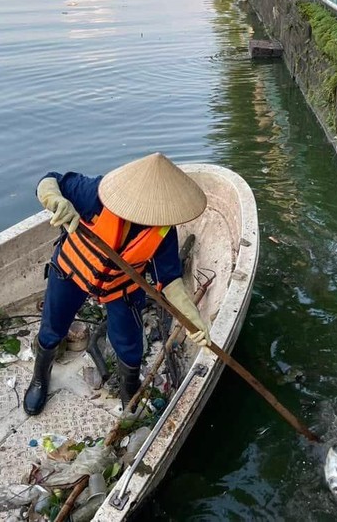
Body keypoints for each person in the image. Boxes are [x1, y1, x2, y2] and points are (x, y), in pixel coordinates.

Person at [23, 152, 211, 416]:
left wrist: (192, 317)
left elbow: (169, 280)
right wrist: (55, 201)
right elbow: (49, 180)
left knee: (129, 343)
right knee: (53, 327)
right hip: (72, 271)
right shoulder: (96, 195)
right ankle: (40, 378)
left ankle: (129, 393)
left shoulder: (163, 230)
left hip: (120, 287)